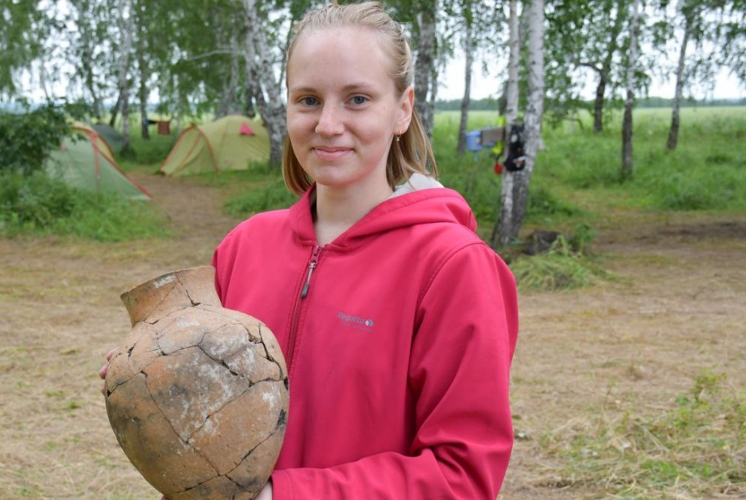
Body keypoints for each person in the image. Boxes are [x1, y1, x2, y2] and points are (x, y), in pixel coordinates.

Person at [101, 2, 519, 499]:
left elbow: (463, 478)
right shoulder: (243, 247)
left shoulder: (452, 266)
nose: (327, 123)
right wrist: (157, 379)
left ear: (403, 108)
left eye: (358, 99)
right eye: (308, 100)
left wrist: (280, 496)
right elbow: (213, 416)